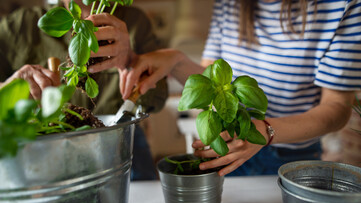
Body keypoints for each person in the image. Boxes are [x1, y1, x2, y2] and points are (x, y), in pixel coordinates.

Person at [119, 0, 361, 177]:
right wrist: (176, 61)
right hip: (227, 149)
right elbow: (212, 83)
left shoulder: (343, 5)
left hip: (290, 160)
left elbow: (337, 108)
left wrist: (265, 131)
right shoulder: (230, 3)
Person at [0, 0, 168, 180]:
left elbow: (158, 97)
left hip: (120, 146)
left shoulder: (134, 21)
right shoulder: (18, 26)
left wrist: (131, 62)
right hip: (44, 152)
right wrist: (9, 88)